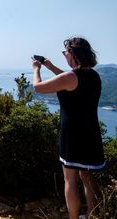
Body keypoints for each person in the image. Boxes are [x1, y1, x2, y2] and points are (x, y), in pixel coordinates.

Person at [32, 37, 105, 219]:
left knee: (70, 180)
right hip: (91, 134)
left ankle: (73, 217)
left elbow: (38, 87)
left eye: (66, 53)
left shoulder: (70, 77)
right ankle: (92, 215)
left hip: (72, 136)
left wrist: (37, 69)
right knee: (88, 179)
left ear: (73, 54)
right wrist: (51, 67)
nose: (65, 56)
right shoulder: (93, 76)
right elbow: (69, 78)